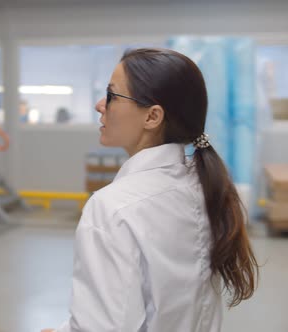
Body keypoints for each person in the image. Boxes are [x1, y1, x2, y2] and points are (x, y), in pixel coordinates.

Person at [44, 48, 258, 332]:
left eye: (111, 96)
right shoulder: (202, 185)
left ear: (152, 117)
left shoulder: (113, 208)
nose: (99, 105)